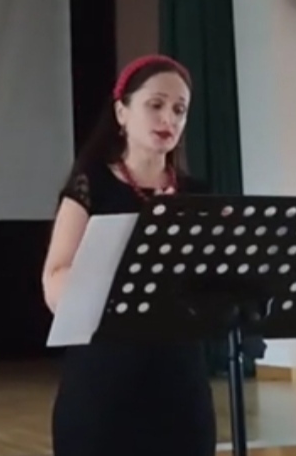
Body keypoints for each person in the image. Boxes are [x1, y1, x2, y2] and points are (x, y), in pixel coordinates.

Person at [42, 54, 217, 456]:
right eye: (155, 105)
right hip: (104, 377)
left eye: (179, 110)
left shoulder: (198, 194)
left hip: (180, 379)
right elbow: (55, 280)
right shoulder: (91, 184)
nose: (168, 119)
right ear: (122, 113)